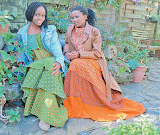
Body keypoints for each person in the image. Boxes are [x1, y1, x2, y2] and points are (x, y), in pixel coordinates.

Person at [63, 6, 146, 121]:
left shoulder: (94, 31)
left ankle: (91, 101)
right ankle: (73, 101)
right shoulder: (70, 29)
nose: (74, 20)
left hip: (93, 61)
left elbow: (97, 53)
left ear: (85, 17)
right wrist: (66, 52)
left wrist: (79, 55)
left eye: (77, 17)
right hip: (76, 60)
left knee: (76, 64)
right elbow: (66, 43)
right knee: (75, 64)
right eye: (72, 17)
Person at [17, 2, 68, 130]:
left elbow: (56, 47)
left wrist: (59, 61)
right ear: (30, 14)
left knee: (50, 72)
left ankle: (45, 116)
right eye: (37, 15)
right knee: (44, 73)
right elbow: (21, 51)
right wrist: (20, 62)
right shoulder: (22, 32)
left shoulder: (49, 29)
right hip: (35, 63)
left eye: (43, 15)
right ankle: (41, 111)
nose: (40, 18)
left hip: (50, 60)